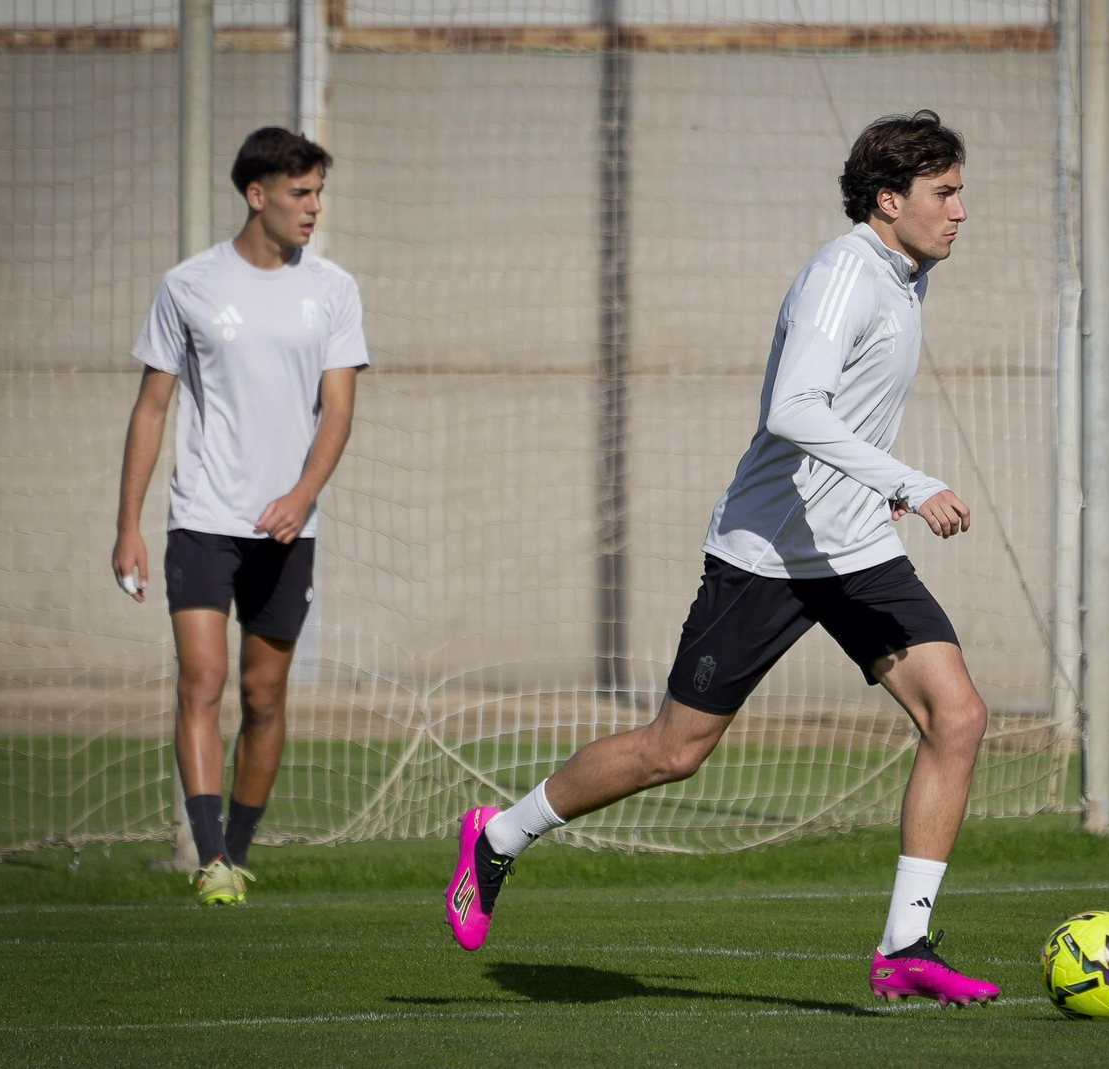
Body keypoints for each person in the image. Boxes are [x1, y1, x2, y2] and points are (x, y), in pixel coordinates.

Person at [446, 110, 998, 1006]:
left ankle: (907, 943)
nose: (961, 211)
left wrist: (879, 495)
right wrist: (908, 481)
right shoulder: (840, 275)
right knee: (674, 750)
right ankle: (500, 834)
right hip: (768, 553)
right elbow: (794, 407)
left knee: (958, 717)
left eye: (961, 192)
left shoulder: (904, 276)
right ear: (889, 201)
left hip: (854, 551)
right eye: (946, 193)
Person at [112, 127, 369, 905]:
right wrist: (128, 523)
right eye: (301, 193)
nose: (313, 207)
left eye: (319, 192)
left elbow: (338, 410)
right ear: (257, 195)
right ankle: (210, 857)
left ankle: (240, 851)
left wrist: (301, 496)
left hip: (290, 528)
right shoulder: (187, 286)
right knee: (204, 679)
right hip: (203, 516)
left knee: (263, 696)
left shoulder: (334, 289)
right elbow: (152, 408)